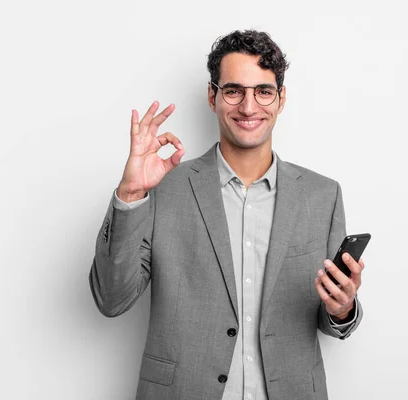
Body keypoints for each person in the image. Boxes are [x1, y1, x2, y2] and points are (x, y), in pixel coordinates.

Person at [89, 29, 365, 400]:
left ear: (281, 99)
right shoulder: (165, 186)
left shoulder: (322, 195)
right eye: (234, 90)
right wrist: (131, 194)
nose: (249, 107)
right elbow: (111, 299)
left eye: (263, 91)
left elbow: (330, 319)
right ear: (212, 96)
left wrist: (343, 308)